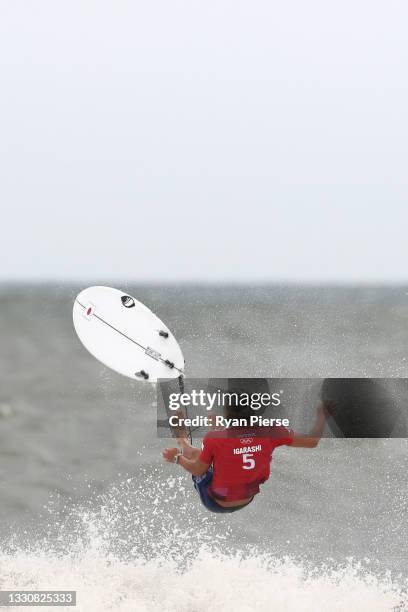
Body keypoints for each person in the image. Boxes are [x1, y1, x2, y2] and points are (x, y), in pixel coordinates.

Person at [162, 397, 333, 513]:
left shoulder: (215, 439)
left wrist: (177, 458)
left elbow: (198, 470)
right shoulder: (271, 431)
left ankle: (182, 440)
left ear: (228, 416)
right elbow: (312, 441)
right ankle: (208, 433)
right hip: (246, 499)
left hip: (215, 502)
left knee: (196, 454)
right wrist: (322, 416)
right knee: (222, 450)